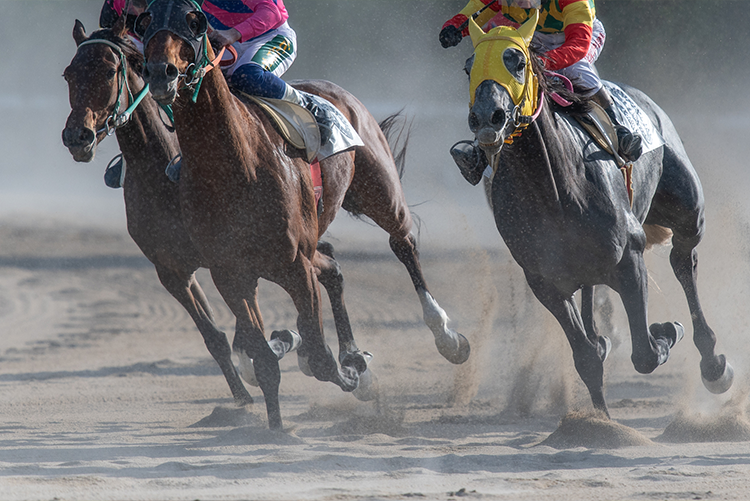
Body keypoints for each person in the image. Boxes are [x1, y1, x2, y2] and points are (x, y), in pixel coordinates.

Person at [439, 0, 642, 178]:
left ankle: (619, 131)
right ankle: (480, 149)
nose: (517, 3)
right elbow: (477, 8)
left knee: (576, 69)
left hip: (579, 35)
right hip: (535, 34)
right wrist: (454, 27)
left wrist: (542, 63)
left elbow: (578, 45)